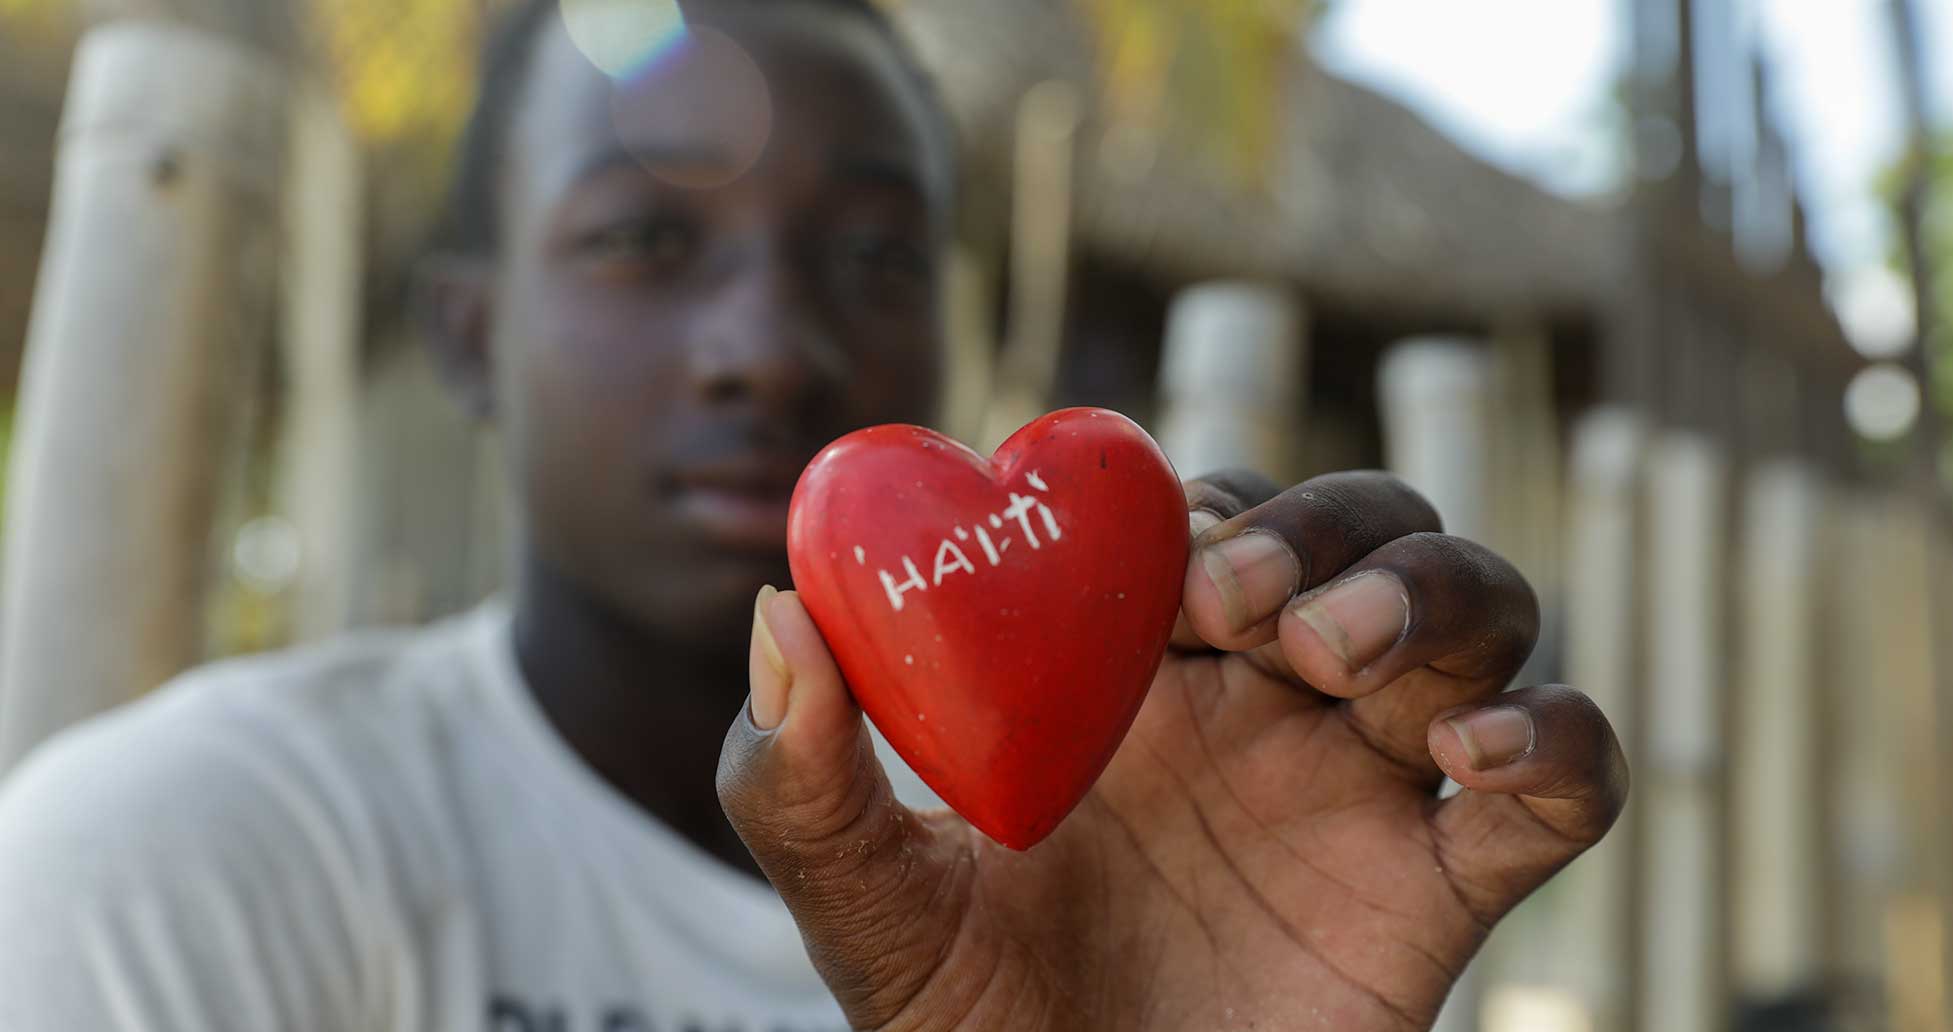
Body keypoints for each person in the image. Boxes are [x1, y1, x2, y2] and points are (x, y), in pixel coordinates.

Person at [0, 0, 1629, 1029]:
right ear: (470, 333)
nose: (768, 344)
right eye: (643, 239)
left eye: (870, 256)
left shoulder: (1160, 871)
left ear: (955, 321)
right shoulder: (182, 864)